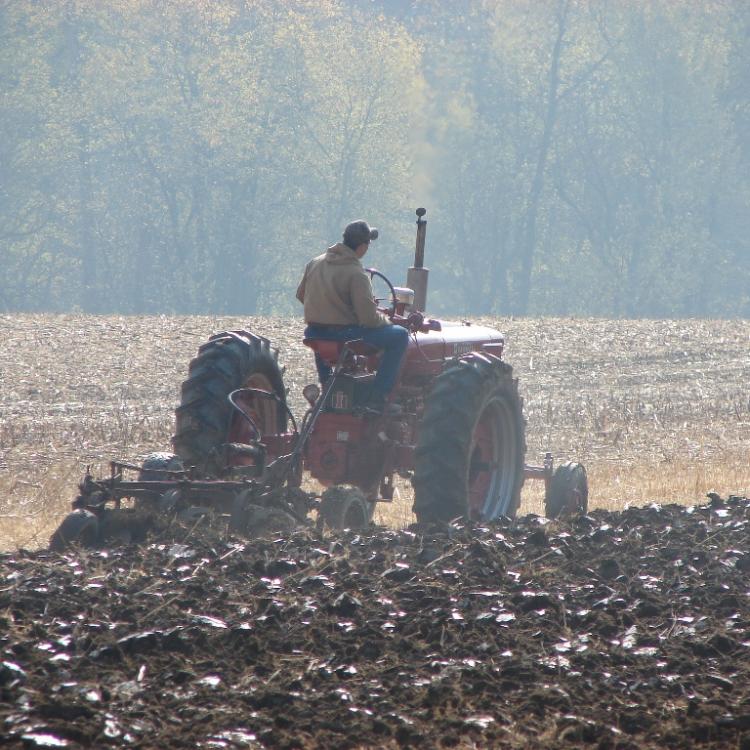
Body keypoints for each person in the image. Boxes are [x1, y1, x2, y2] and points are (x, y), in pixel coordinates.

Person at [296, 219, 408, 413]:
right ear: (363, 247)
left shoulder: (315, 262)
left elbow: (301, 296)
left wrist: (331, 310)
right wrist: (387, 320)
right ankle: (378, 397)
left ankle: (327, 390)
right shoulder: (356, 273)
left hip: (314, 332)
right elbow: (368, 319)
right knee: (399, 335)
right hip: (344, 335)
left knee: (323, 342)